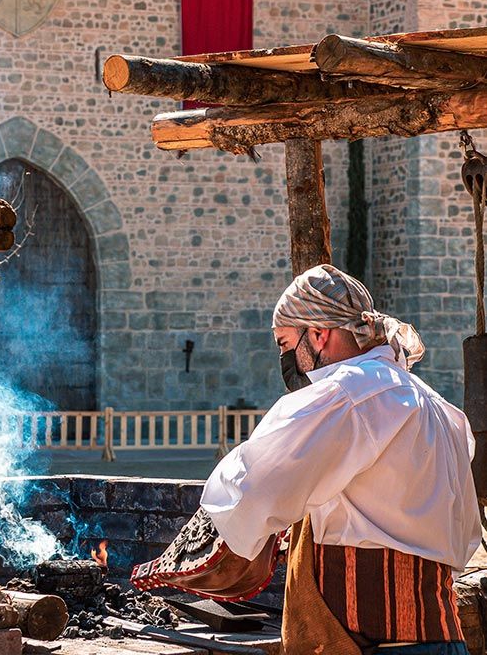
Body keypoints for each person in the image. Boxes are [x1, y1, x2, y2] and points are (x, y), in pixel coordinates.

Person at [200, 264, 481, 655]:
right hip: (442, 639)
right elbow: (465, 537)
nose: (285, 359)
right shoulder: (438, 408)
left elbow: (253, 489)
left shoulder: (349, 394)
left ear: (318, 333)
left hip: (376, 644)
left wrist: (206, 550)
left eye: (284, 344)